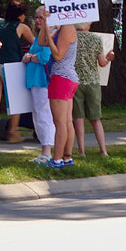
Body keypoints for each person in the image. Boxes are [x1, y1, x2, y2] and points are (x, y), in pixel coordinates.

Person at [40, 11, 80, 168]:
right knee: (66, 121)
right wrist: (45, 23)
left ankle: (56, 160)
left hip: (62, 78)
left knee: (60, 123)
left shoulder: (67, 28)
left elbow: (57, 55)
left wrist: (50, 37)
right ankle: (66, 157)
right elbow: (43, 42)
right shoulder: (62, 27)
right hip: (67, 78)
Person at [71, 21, 113, 157]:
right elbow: (101, 63)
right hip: (93, 81)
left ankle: (81, 150)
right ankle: (103, 150)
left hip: (76, 81)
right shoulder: (95, 39)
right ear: (88, 24)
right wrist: (108, 58)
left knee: (78, 117)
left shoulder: (71, 38)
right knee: (95, 118)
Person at [0, 0, 32, 143]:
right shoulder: (22, 27)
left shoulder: (0, 23)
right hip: (12, 66)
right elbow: (36, 43)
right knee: (16, 101)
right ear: (20, 15)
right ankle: (12, 131)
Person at [23, 6, 57, 163]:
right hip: (35, 81)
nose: (37, 21)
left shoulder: (48, 35)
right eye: (36, 18)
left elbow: (44, 57)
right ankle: (45, 150)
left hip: (42, 81)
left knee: (44, 116)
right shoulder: (38, 37)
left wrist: (30, 57)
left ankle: (47, 151)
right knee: (38, 116)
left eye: (41, 18)